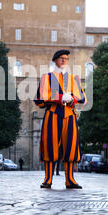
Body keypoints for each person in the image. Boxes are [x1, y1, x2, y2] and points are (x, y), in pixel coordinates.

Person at [34, 50, 87, 189]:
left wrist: (72, 99)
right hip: (52, 115)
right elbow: (40, 100)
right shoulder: (47, 77)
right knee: (50, 147)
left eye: (66, 59)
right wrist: (58, 98)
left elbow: (83, 97)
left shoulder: (73, 78)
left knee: (71, 148)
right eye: (61, 58)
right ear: (55, 60)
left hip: (70, 115)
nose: (64, 61)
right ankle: (48, 179)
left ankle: (70, 179)